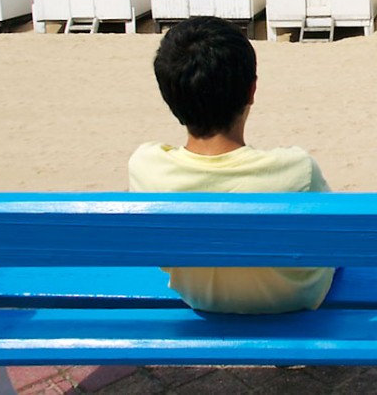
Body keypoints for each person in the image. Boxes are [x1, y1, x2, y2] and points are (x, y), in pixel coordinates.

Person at [128, 16, 335, 314]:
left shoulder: (145, 165)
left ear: (168, 94)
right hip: (292, 301)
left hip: (200, 298)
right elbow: (328, 238)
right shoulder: (296, 169)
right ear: (252, 90)